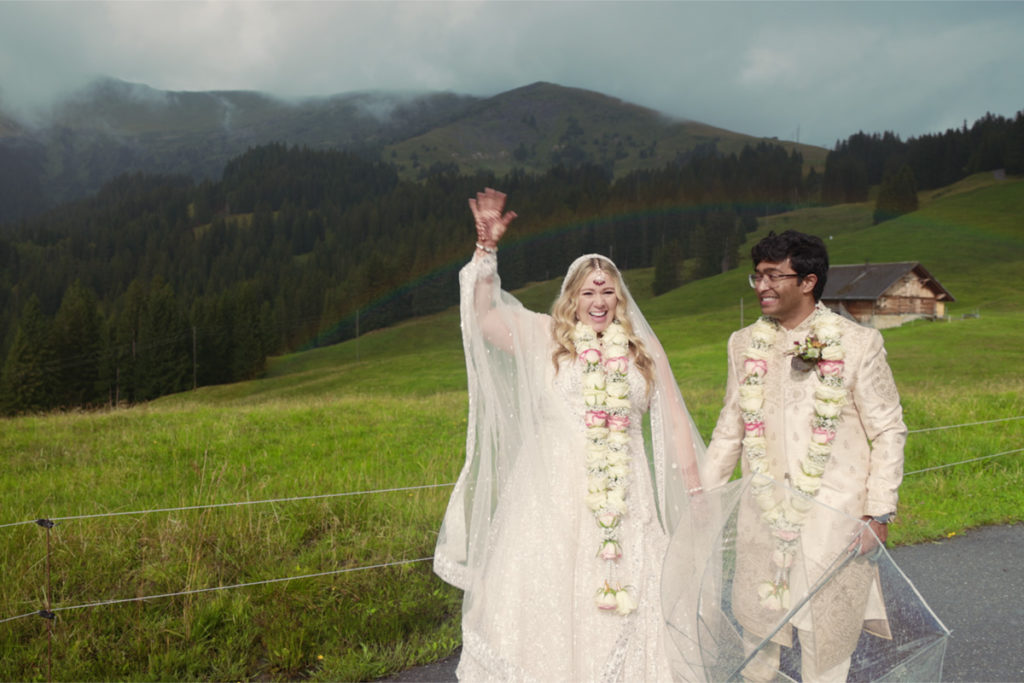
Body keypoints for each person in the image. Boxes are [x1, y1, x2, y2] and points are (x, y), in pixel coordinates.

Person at [433, 188, 707, 681]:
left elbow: (674, 419)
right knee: (550, 596)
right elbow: (486, 317)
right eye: (588, 292)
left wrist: (693, 488)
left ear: (619, 298)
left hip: (627, 498)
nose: (598, 302)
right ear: (572, 297)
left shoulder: (642, 351)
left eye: (607, 292)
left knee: (629, 597)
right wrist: (486, 250)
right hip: (552, 499)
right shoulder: (544, 337)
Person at [703, 230, 907, 682]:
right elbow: (729, 427)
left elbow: (889, 429)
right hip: (763, 513)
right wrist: (705, 499)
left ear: (808, 281)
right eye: (756, 276)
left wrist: (878, 513)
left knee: (827, 639)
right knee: (757, 634)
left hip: (834, 518)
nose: (761, 286)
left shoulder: (857, 344)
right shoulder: (742, 344)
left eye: (774, 276)